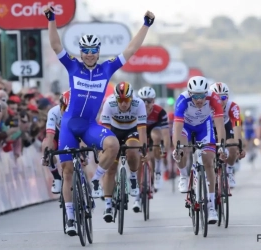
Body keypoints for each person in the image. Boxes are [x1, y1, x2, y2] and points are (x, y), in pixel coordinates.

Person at [44, 5, 155, 236]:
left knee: (113, 145)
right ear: (82, 51)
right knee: (67, 171)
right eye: (86, 50)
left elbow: (131, 49)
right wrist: (52, 18)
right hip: (69, 125)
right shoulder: (73, 65)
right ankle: (71, 216)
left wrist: (146, 25)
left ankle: (96, 180)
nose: (89, 54)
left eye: (93, 50)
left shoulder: (107, 68)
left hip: (89, 126)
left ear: (98, 51)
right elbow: (56, 45)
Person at [172, 76, 227, 224]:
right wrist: (177, 147)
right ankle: (183, 176)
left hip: (204, 127)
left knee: (209, 160)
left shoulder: (214, 98)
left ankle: (211, 207)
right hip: (185, 127)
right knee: (182, 150)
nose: (200, 99)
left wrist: (221, 145)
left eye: (202, 95)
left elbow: (220, 125)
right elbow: (177, 127)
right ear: (190, 93)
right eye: (196, 96)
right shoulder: (182, 100)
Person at [98, 82, 147, 220]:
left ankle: (132, 178)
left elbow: (142, 130)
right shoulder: (109, 103)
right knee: (110, 168)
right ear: (115, 99)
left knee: (132, 151)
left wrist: (143, 149)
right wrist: (104, 150)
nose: (124, 104)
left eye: (126, 100)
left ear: (132, 98)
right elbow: (105, 131)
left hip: (132, 130)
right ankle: (108, 205)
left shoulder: (139, 104)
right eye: (120, 100)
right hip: (113, 131)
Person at [209, 82, 246, 188]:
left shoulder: (232, 106)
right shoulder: (205, 105)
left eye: (223, 97)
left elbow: (237, 125)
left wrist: (239, 146)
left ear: (228, 97)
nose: (220, 100)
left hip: (225, 126)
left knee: (233, 147)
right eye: (217, 97)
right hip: (209, 127)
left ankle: (229, 171)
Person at [137, 86, 170, 191]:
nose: (146, 104)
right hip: (139, 130)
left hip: (153, 129)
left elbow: (165, 134)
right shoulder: (135, 111)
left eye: (149, 101)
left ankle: (158, 171)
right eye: (143, 101)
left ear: (153, 101)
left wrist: (165, 149)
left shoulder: (160, 112)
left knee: (156, 136)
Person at [41, 91, 70, 193]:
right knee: (45, 146)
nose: (65, 112)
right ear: (60, 104)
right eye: (64, 108)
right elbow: (50, 134)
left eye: (69, 109)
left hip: (73, 136)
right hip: (57, 136)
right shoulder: (53, 112)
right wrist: (46, 153)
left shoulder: (79, 112)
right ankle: (57, 177)